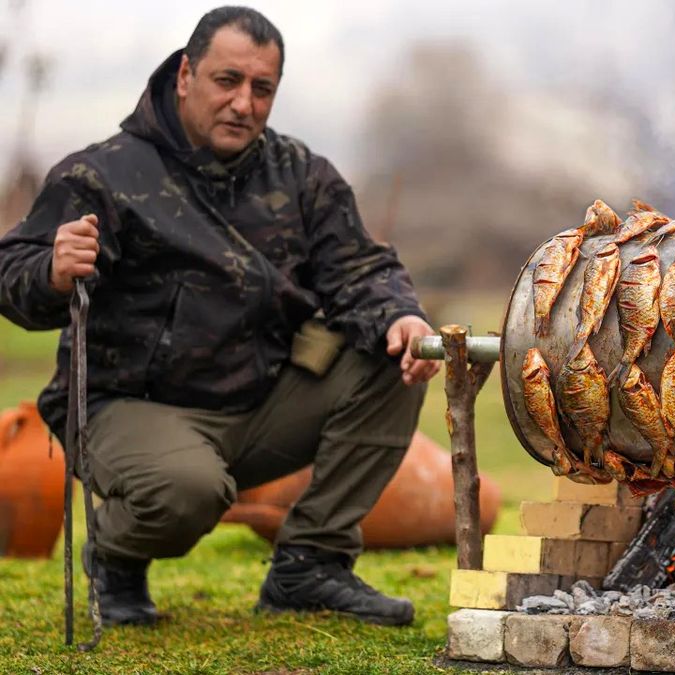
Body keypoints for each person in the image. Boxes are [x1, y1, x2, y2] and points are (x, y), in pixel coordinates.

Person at [0, 6, 441, 627]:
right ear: (185, 75)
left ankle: (309, 566)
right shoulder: (101, 174)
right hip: (128, 407)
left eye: (262, 88)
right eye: (227, 81)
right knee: (188, 489)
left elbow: (361, 270)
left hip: (256, 404)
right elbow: (10, 272)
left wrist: (400, 315)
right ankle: (115, 554)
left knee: (398, 358)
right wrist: (50, 269)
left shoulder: (301, 175)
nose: (244, 103)